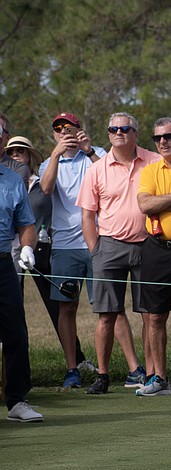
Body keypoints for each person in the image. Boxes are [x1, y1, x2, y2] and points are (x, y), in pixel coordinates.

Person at [77, 112, 160, 394]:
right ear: (108, 133)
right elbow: (88, 215)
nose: (119, 133)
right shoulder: (97, 169)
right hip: (109, 245)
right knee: (106, 314)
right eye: (113, 129)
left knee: (150, 315)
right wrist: (95, 250)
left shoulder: (153, 161)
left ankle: (151, 375)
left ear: (135, 133)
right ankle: (102, 375)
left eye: (125, 129)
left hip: (148, 244)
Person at [6, 135, 96, 377]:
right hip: (11, 250)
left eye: (21, 151)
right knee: (13, 307)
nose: (16, 154)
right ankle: (16, 369)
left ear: (29, 157)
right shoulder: (7, 182)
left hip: (41, 248)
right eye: (12, 151)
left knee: (57, 304)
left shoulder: (40, 180)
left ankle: (77, 359)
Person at [40, 112, 119, 389]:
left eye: (68, 127)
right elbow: (46, 188)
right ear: (54, 135)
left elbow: (113, 179)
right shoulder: (48, 162)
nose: (64, 132)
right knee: (66, 307)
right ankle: (72, 369)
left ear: (79, 129)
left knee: (110, 308)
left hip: (100, 241)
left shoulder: (95, 153)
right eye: (58, 129)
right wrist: (55, 156)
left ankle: (123, 368)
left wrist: (88, 152)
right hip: (64, 245)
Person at [135, 117, 171, 396]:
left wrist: (163, 200)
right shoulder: (151, 170)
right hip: (157, 247)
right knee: (155, 317)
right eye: (158, 138)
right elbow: (144, 204)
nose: (163, 142)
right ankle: (160, 379)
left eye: (168, 136)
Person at [0, 160, 42, 422]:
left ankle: (16, 400)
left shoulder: (13, 181)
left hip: (3, 264)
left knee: (15, 331)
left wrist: (27, 248)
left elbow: (26, 225)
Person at [0, 112, 30, 183]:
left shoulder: (18, 169)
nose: (15, 154)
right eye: (11, 151)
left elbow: (15, 193)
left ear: (7, 137)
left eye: (0, 130)